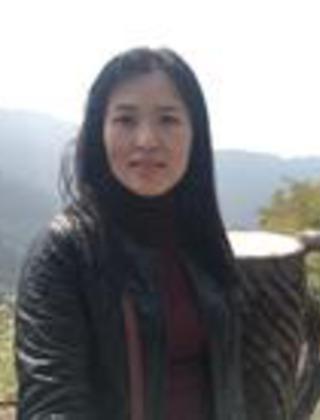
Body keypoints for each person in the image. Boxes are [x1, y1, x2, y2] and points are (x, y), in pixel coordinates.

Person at [15, 47, 302, 420]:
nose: (147, 139)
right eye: (125, 119)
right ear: (100, 132)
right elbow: (49, 405)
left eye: (168, 119)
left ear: (195, 134)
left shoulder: (200, 238)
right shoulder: (66, 252)